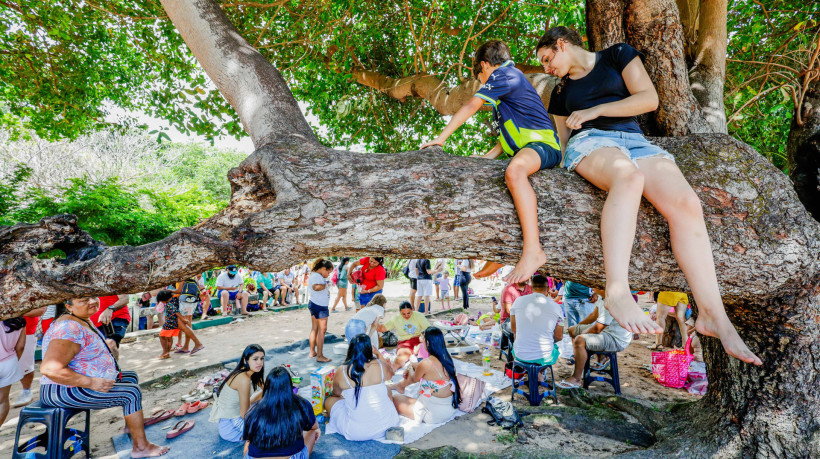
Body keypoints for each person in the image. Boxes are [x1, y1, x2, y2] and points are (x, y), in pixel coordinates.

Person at [536, 26, 760, 364]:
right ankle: (617, 290)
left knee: (687, 205)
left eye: (547, 59)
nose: (546, 68)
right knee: (629, 178)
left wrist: (596, 110)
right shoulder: (561, 92)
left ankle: (713, 315)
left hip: (635, 142)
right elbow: (566, 143)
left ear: (562, 44)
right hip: (592, 144)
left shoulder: (617, 56)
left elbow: (648, 99)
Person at [422, 40, 562, 285]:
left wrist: (441, 138)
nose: (483, 83)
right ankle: (500, 253)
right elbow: (507, 136)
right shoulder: (506, 90)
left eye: (481, 77)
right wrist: (486, 159)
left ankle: (533, 250)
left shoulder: (504, 74)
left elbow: (472, 104)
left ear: (486, 66)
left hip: (544, 147)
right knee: (492, 179)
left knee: (515, 172)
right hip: (526, 149)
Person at [39, 298, 169, 457]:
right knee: (131, 393)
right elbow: (49, 369)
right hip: (62, 390)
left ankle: (132, 426)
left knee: (130, 377)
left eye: (94, 296)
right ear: (68, 306)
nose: (93, 301)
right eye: (84, 300)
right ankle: (141, 448)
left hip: (71, 386)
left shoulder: (80, 319)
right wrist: (91, 382)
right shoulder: (68, 327)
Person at [324, 335, 400, 441]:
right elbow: (391, 373)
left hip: (357, 433)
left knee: (329, 400)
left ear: (351, 349)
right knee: (386, 388)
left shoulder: (342, 370)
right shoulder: (380, 364)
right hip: (390, 425)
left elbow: (336, 394)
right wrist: (378, 353)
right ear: (370, 349)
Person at [557, 291, 633, 389]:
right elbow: (593, 316)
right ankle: (595, 358)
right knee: (572, 330)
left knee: (580, 340)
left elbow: (597, 329)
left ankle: (576, 378)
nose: (591, 288)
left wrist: (580, 338)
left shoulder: (611, 301)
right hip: (605, 332)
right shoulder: (602, 297)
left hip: (616, 339)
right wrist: (578, 327)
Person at [243, 366, 320, 459]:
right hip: (291, 456)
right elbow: (314, 427)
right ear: (290, 385)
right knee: (312, 431)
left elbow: (249, 438)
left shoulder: (254, 408)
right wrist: (315, 430)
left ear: (267, 386)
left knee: (249, 442)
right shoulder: (302, 404)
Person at [391, 328, 461, 424]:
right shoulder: (446, 357)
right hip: (449, 408)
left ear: (428, 343)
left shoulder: (426, 363)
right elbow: (424, 368)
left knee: (394, 398)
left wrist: (411, 366)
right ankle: (399, 386)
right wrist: (413, 365)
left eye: (423, 339)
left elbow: (414, 378)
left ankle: (398, 386)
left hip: (434, 414)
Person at [210, 344, 265, 442]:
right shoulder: (243, 379)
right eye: (255, 359)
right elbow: (245, 415)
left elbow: (266, 389)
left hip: (233, 417)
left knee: (264, 395)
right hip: (232, 427)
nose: (259, 362)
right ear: (245, 360)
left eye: (262, 358)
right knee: (273, 426)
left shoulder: (252, 372)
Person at [510, 275, 564, 365]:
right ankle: (540, 372)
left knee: (517, 337)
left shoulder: (518, 301)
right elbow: (559, 336)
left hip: (520, 355)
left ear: (531, 288)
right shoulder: (556, 307)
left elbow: (514, 329)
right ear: (548, 289)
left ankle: (528, 370)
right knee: (555, 348)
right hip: (544, 357)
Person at [378, 302, 431, 370]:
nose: (406, 316)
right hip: (404, 342)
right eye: (403, 314)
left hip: (419, 340)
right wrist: (373, 322)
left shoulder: (418, 315)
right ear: (400, 312)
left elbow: (428, 329)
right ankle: (392, 369)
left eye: (409, 313)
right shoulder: (396, 318)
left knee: (429, 355)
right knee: (402, 357)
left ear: (412, 310)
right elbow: (382, 328)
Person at [15, 308, 45, 407]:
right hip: (4, 331)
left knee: (25, 362)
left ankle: (26, 391)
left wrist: (12, 311)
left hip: (27, 329)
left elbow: (41, 310)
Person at [1, 317, 26, 427]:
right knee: (2, 400)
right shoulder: (19, 320)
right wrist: (14, 361)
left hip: (9, 361)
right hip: (9, 362)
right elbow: (20, 346)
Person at [308, 258, 334, 363]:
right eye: (328, 272)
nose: (328, 274)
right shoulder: (316, 276)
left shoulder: (315, 275)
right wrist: (326, 284)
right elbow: (316, 287)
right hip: (320, 306)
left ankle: (312, 351)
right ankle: (320, 355)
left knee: (315, 328)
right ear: (323, 269)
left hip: (315, 304)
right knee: (322, 331)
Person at [170, 278, 204, 352]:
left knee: (183, 324)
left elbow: (179, 290)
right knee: (188, 323)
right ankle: (186, 346)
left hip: (185, 301)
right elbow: (198, 288)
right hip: (193, 300)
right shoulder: (193, 275)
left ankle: (198, 344)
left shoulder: (183, 276)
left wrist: (170, 291)